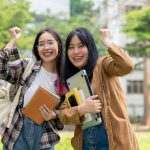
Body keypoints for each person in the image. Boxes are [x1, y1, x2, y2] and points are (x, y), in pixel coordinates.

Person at [59, 27, 139, 150]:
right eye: (71, 47)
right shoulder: (74, 80)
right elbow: (63, 114)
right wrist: (81, 109)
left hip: (113, 141)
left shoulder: (103, 64)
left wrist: (106, 41)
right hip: (86, 143)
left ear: (90, 47)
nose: (76, 51)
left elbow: (127, 66)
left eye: (81, 46)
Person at [0, 27, 65, 150]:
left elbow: (68, 110)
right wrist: (13, 40)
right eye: (41, 44)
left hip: (45, 135)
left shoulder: (65, 77)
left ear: (59, 45)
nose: (46, 48)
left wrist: (54, 115)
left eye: (50, 43)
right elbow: (1, 69)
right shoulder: (27, 66)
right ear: (37, 49)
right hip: (18, 129)